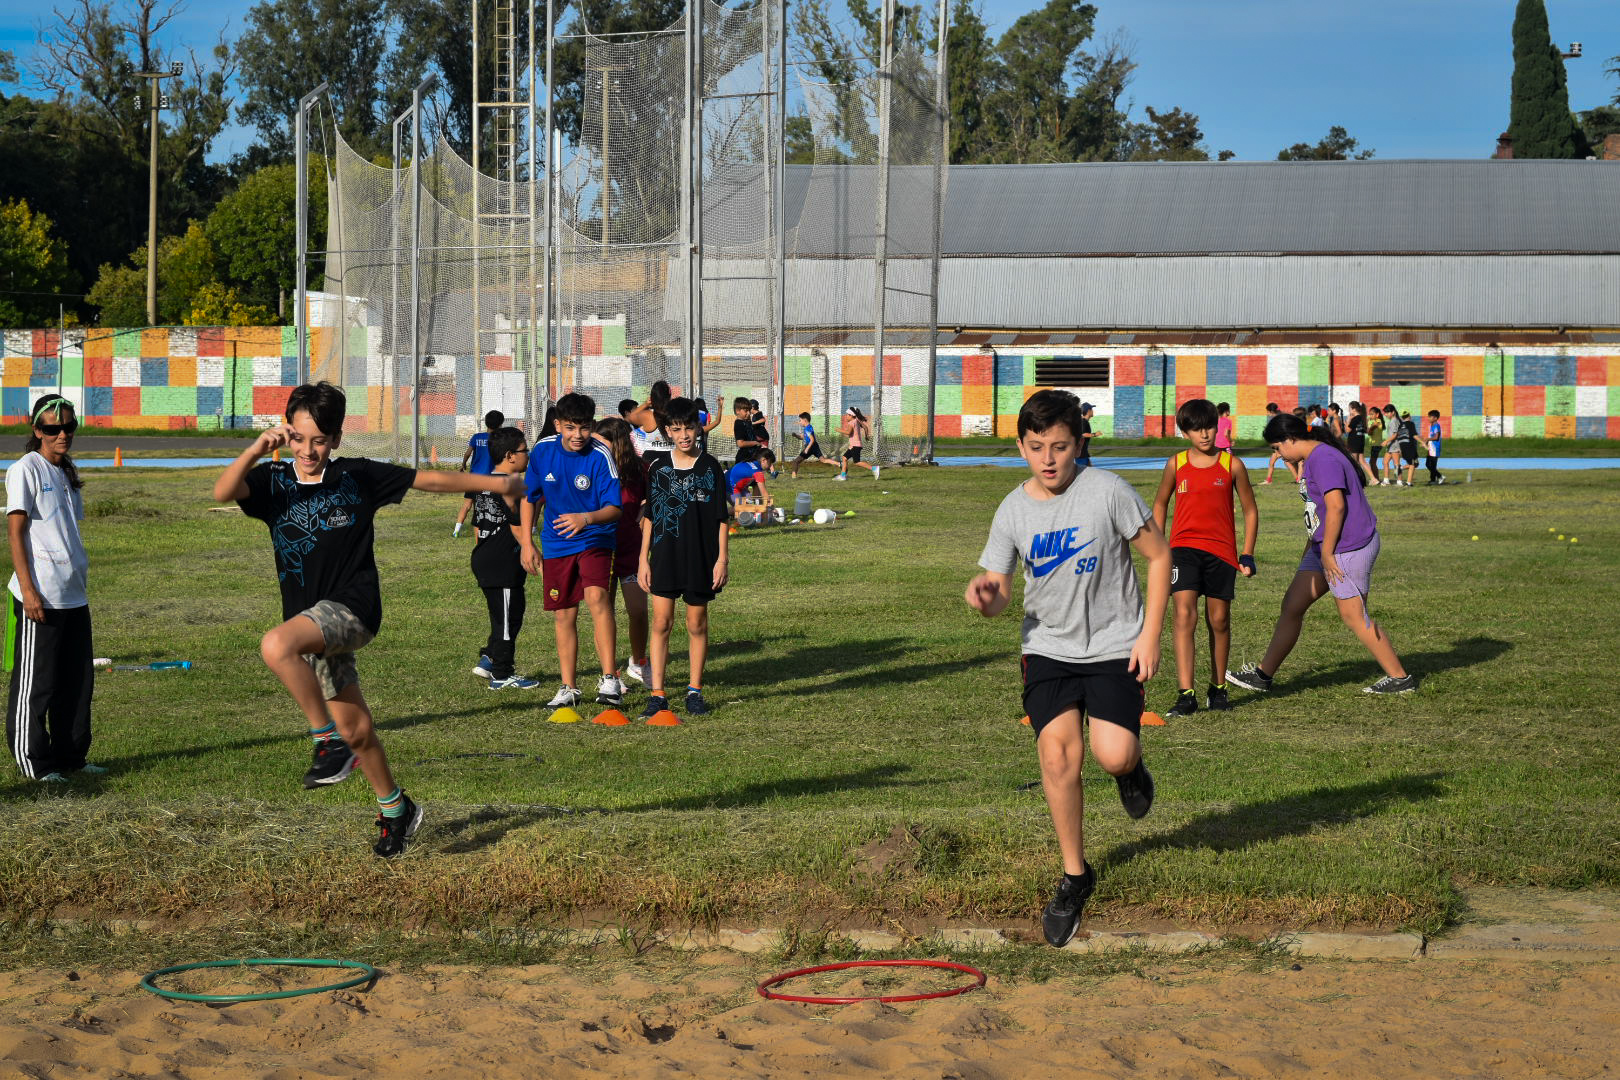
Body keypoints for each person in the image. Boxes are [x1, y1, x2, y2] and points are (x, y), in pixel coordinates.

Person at [214, 381, 522, 857]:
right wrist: (256, 448)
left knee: (276, 646)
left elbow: (429, 481)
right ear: (286, 433)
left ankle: (324, 740)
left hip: (353, 610)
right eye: (299, 438)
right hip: (311, 625)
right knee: (358, 731)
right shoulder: (272, 482)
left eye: (320, 439)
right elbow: (223, 491)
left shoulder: (356, 476)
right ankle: (397, 807)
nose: (309, 449)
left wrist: (498, 483)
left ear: (336, 438)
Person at [965, 389, 1170, 948]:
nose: (1050, 459)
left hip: (1113, 645)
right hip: (1049, 648)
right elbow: (1002, 589)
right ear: (1021, 447)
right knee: (1057, 754)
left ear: (1080, 442)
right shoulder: (1013, 509)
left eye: (1060, 446)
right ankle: (1076, 875)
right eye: (1037, 448)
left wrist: (1149, 635)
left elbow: (1159, 556)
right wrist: (987, 598)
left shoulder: (1108, 492)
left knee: (1113, 753)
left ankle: (1131, 772)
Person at [1227, 411, 1417, 698]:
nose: (1278, 454)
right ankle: (1263, 676)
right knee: (1292, 604)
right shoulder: (1313, 457)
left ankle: (1400, 678)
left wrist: (1327, 552)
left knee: (1354, 616)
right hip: (1325, 546)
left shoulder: (1323, 458)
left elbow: (1337, 506)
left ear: (1291, 439)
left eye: (1278, 448)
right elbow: (1319, 512)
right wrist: (1314, 548)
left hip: (1347, 547)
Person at [7, 395, 98, 784]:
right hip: (40, 596)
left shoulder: (64, 472)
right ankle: (35, 762)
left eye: (68, 427)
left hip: (73, 593)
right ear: (36, 431)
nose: (62, 434)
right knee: (37, 683)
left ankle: (71, 757)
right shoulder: (25, 469)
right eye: (51, 429)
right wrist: (28, 591)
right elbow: (16, 531)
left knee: (76, 683)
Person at [1151, 398, 1258, 718]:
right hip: (1182, 550)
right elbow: (1160, 503)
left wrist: (1247, 553)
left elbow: (1251, 510)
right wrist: (1157, 546)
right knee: (1184, 615)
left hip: (1221, 553)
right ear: (1184, 432)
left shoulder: (1232, 465)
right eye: (1196, 429)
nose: (1205, 434)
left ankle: (1218, 689)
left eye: (1209, 426)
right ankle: (1186, 695)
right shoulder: (1175, 464)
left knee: (1219, 620)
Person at [519, 393, 625, 711]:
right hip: (556, 544)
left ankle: (610, 679)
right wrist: (527, 541)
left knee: (597, 598)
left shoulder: (600, 455)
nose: (577, 435)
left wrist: (585, 518)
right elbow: (530, 498)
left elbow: (615, 508)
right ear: (557, 425)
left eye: (583, 427)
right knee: (564, 613)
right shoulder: (542, 451)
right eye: (570, 427)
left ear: (591, 425)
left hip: (595, 538)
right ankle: (568, 687)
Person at [638, 397, 730, 719]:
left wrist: (722, 560)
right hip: (664, 556)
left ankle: (694, 691)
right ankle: (658, 694)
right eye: (676, 429)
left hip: (700, 558)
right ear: (667, 432)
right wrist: (643, 559)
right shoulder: (659, 468)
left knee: (696, 623)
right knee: (661, 622)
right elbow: (650, 515)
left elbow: (721, 517)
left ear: (698, 428)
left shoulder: (711, 467)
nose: (684, 435)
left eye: (689, 427)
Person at [470, 427, 538, 690]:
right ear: (510, 456)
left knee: (505, 615)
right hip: (501, 562)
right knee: (508, 620)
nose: (527, 455)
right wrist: (532, 551)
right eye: (524, 450)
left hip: (485, 558)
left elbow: (479, 524)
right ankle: (502, 674)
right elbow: (516, 526)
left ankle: (489, 657)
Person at [595, 416, 651, 687]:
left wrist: (642, 522)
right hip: (600, 548)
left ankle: (638, 662)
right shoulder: (593, 466)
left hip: (630, 548)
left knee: (638, 610)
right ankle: (609, 672)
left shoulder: (639, 470)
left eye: (601, 440)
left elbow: (648, 505)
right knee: (604, 611)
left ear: (616, 442)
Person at [454, 410, 504, 538]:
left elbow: (467, 453)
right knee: (486, 506)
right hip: (489, 479)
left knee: (467, 504)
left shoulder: (476, 437)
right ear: (500, 424)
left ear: (486, 423)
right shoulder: (499, 440)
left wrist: (463, 464)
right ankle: (489, 530)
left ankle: (456, 530)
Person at [628, 380, 675, 458]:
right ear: (669, 395)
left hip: (651, 458)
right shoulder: (675, 413)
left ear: (652, 397)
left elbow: (631, 417)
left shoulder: (648, 415)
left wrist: (646, 404)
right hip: (672, 455)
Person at [789, 412, 841, 478]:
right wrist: (796, 435)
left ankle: (794, 478)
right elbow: (803, 437)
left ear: (805, 420)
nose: (800, 422)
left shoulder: (807, 429)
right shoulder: (809, 427)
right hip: (814, 446)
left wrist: (807, 448)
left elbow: (812, 439)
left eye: (800, 420)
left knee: (795, 462)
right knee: (823, 460)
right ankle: (839, 464)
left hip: (810, 446)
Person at [728, 448, 774, 519]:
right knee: (746, 509)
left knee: (750, 508)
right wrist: (772, 509)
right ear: (764, 460)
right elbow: (764, 494)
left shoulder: (753, 463)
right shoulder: (757, 472)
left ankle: (733, 514)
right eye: (770, 462)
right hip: (729, 487)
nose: (771, 465)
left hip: (740, 487)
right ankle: (719, 513)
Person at [836, 407, 879, 480]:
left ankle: (874, 468)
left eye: (847, 415)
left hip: (855, 446)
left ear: (851, 415)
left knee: (857, 462)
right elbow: (865, 427)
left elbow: (848, 433)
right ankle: (843, 476)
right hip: (854, 445)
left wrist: (839, 430)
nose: (846, 416)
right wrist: (866, 436)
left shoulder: (852, 423)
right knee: (844, 458)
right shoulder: (857, 420)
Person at [1261, 403, 1297, 485]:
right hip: (1278, 444)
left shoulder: (1275, 419)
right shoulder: (1279, 417)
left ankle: (1298, 478)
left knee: (1287, 462)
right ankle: (1269, 480)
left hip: (1279, 445)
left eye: (1267, 411)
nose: (1267, 413)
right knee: (1272, 463)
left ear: (1271, 411)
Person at [1345, 402, 1375, 485]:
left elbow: (1347, 430)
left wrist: (1348, 420)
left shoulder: (1355, 418)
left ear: (1353, 409)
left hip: (1354, 442)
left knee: (1354, 462)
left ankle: (1357, 480)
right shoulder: (1362, 418)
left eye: (1349, 408)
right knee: (1362, 461)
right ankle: (1373, 479)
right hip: (1360, 442)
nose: (1349, 410)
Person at [731, 396, 762, 460]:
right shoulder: (739, 424)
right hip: (744, 458)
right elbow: (740, 443)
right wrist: (755, 443)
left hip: (752, 455)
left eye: (749, 411)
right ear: (737, 411)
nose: (748, 413)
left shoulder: (746, 421)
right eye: (746, 411)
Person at [1364, 403, 1385, 485]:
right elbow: (1368, 430)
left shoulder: (1378, 421)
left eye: (1372, 414)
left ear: (1377, 415)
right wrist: (1368, 423)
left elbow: (1369, 432)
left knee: (1372, 462)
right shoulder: (1374, 422)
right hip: (1374, 445)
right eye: (1369, 414)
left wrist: (1370, 426)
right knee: (1372, 462)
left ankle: (1376, 479)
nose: (1370, 416)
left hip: (1377, 445)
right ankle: (1376, 479)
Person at [1424, 410, 1446, 485]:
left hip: (1435, 448)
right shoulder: (1432, 426)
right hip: (1431, 448)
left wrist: (1427, 439)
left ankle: (1439, 477)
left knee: (1432, 465)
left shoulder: (1436, 426)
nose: (1428, 418)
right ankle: (1433, 480)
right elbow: (1431, 436)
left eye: (1430, 417)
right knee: (1428, 464)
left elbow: (1436, 437)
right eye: (1428, 417)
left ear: (1435, 418)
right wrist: (1427, 442)